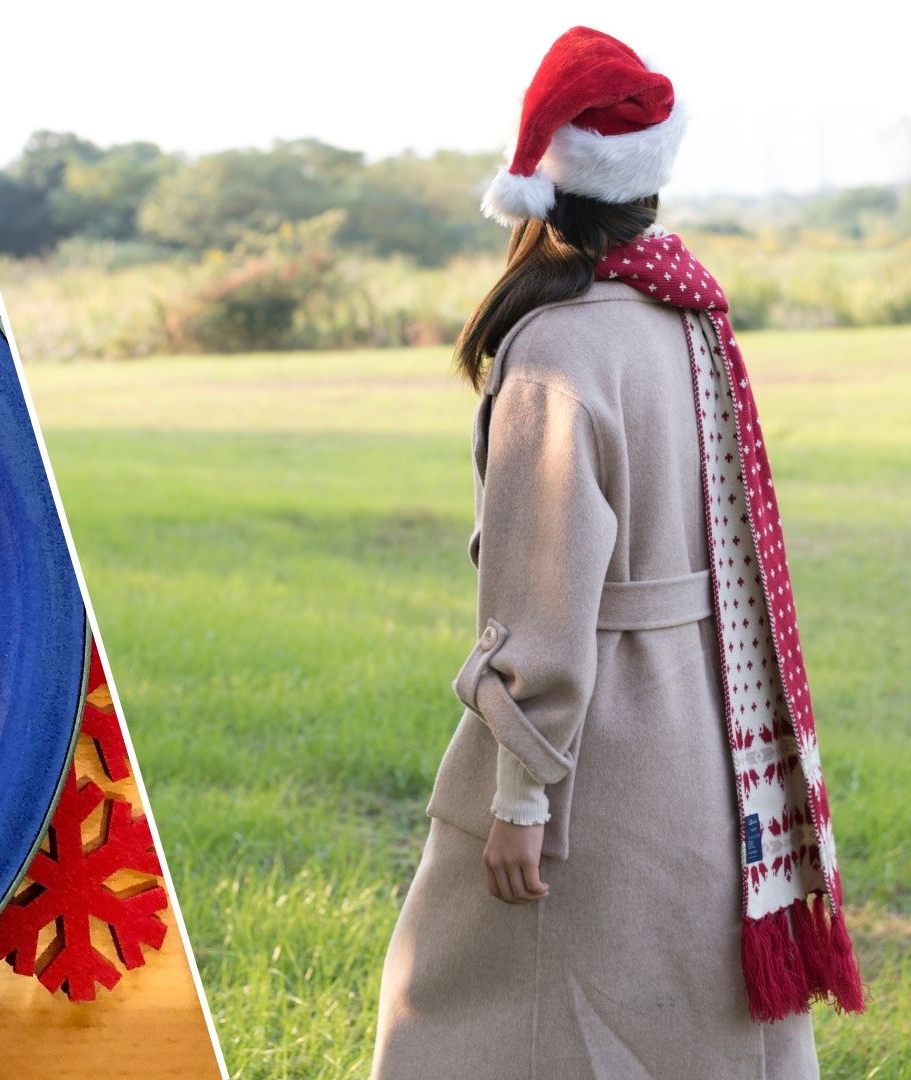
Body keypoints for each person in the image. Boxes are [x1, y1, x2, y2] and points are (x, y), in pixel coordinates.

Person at [370, 27, 864, 1079]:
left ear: (540, 191)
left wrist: (521, 797)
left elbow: (544, 596)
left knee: (458, 999)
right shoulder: (690, 319)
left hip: (598, 746)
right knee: (685, 994)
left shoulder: (555, 347)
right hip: (703, 728)